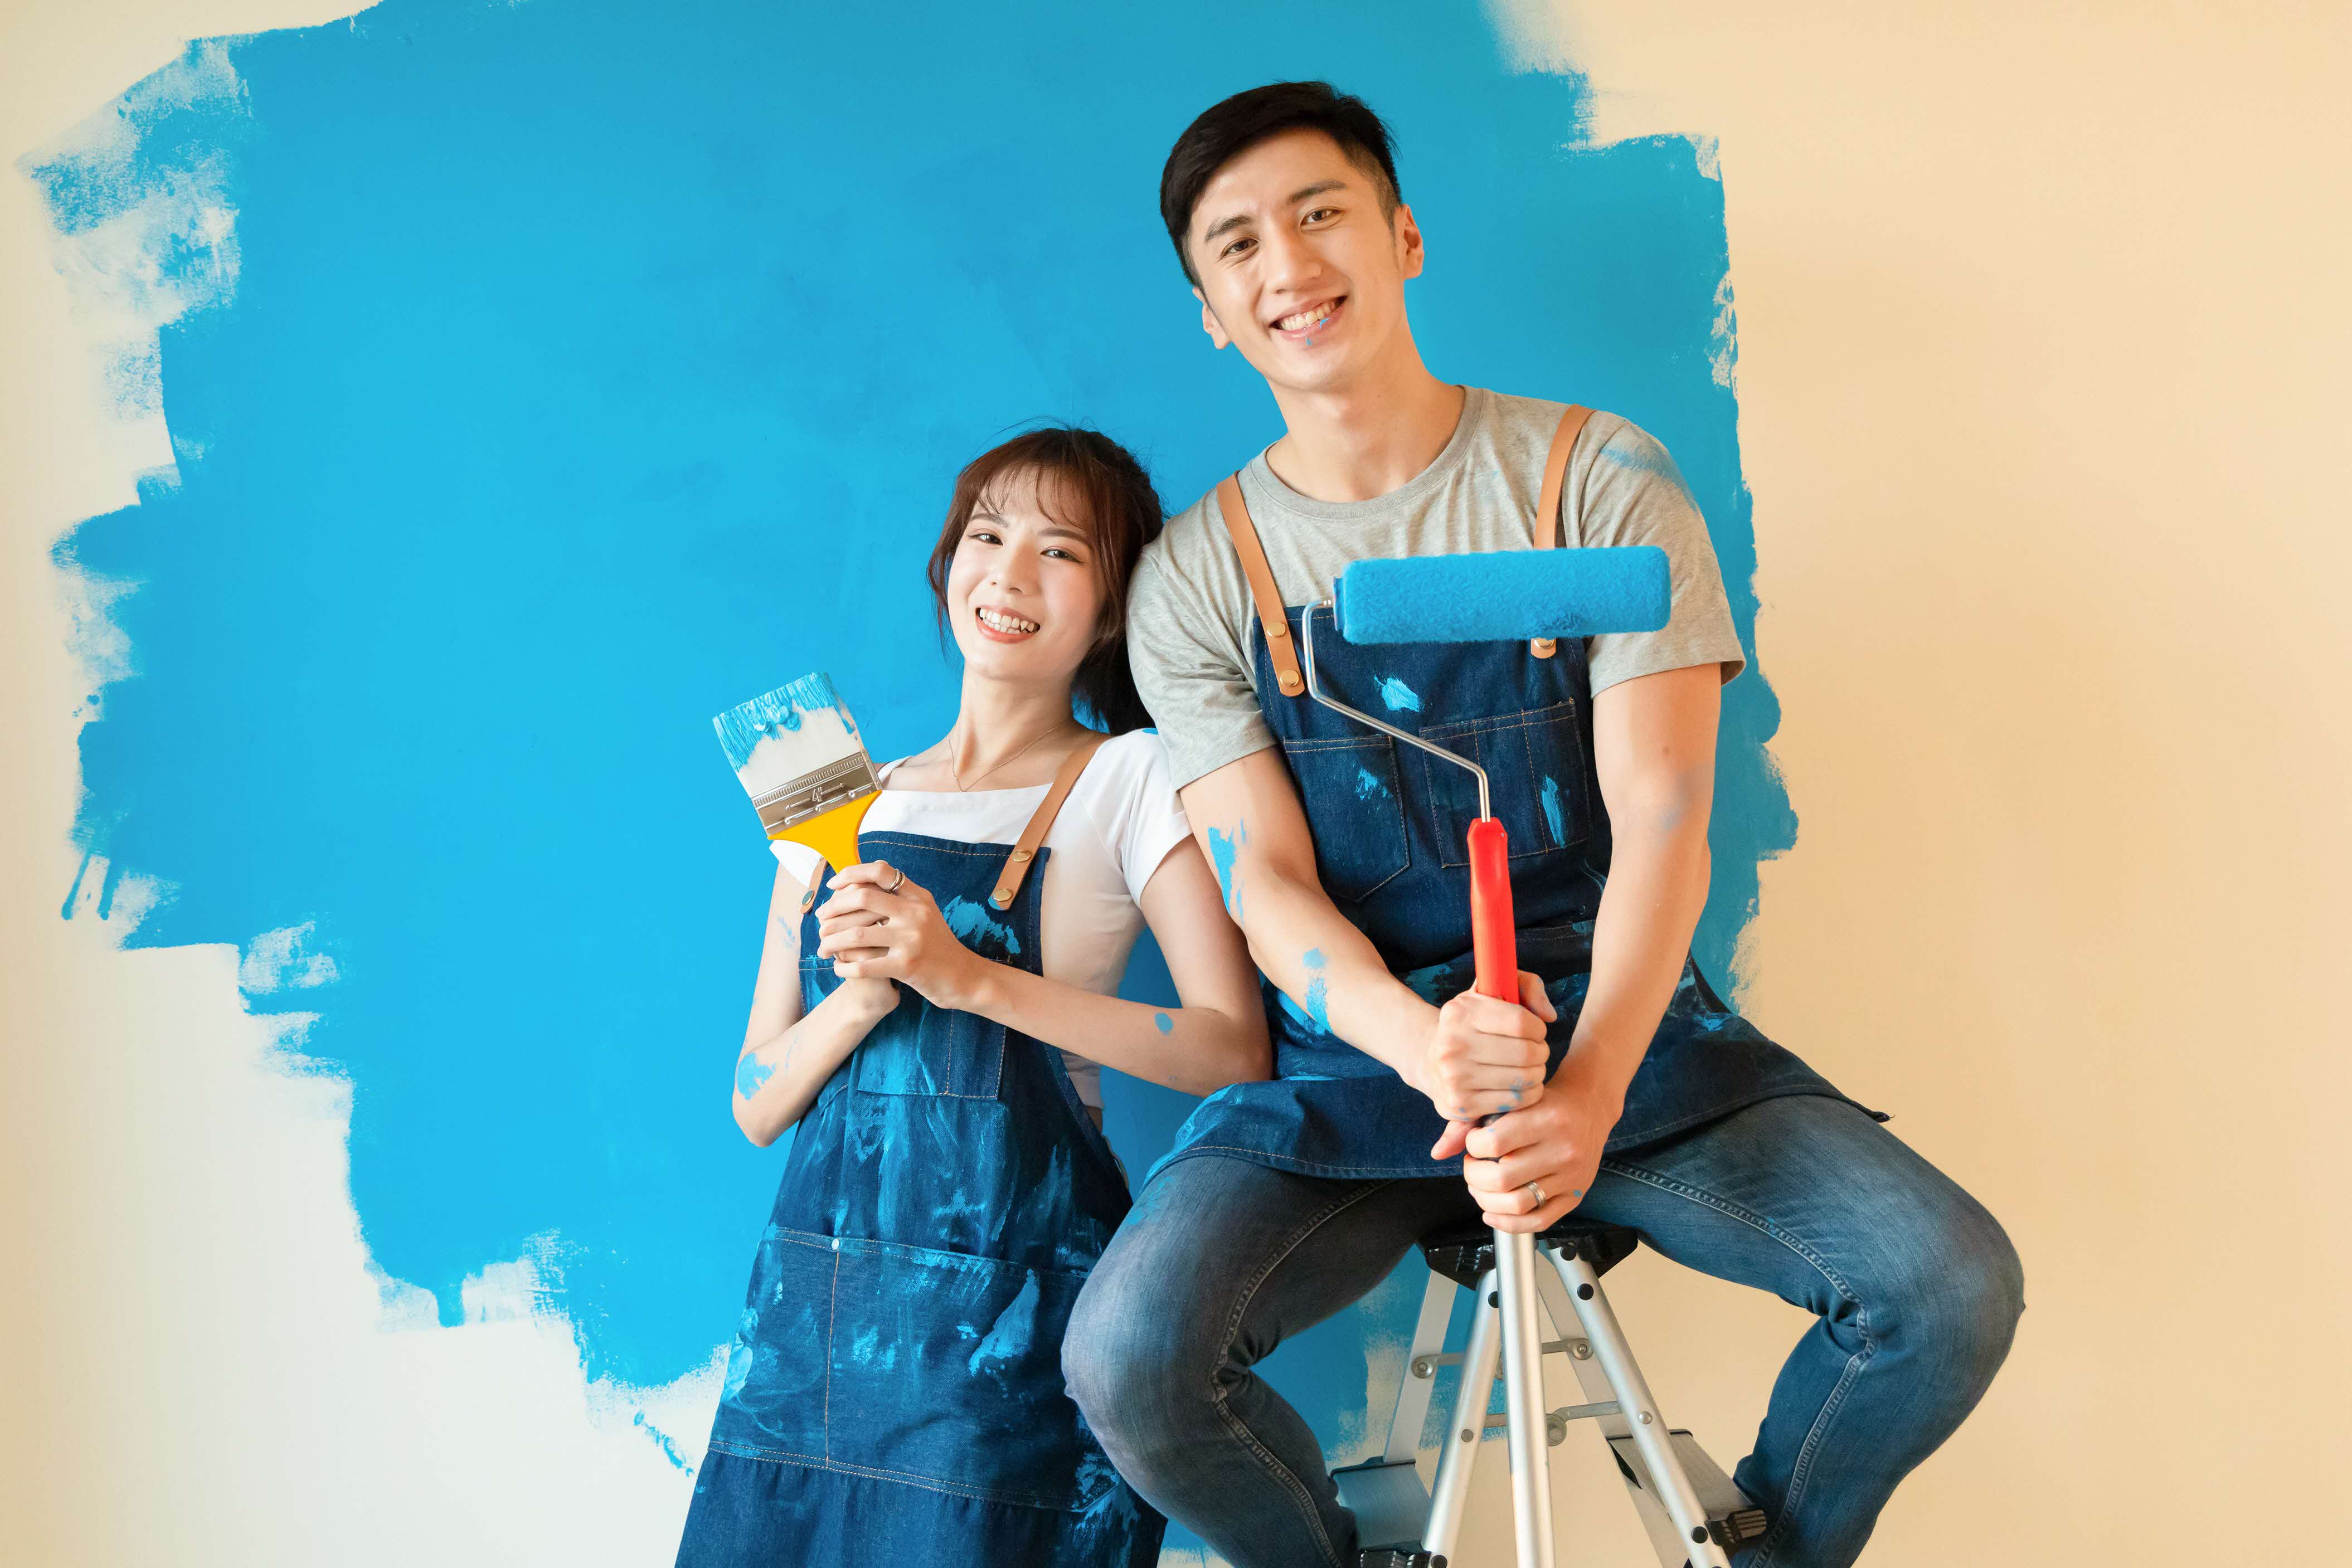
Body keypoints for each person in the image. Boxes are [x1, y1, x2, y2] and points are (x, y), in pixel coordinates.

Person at [1061, 82, 2025, 1568]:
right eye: (1236, 244)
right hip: (1352, 1070)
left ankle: (1771, 1549)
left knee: (1944, 1282)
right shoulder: (1200, 574)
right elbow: (1260, 878)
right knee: (1127, 1359)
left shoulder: (1595, 480)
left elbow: (1659, 810)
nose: (1287, 264)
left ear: (1401, 235)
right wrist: (1416, 1038)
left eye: (1321, 213)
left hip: (1625, 1036)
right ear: (1210, 309)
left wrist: (1578, 1087)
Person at [676, 426, 1271, 1568]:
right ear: (948, 565)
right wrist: (860, 1001)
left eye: (1061, 552)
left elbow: (1230, 1048)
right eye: (986, 537)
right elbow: (756, 1104)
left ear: (1108, 613)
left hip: (1005, 1331)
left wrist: (965, 978)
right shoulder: (837, 807)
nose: (1007, 574)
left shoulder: (1126, 777)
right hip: (817, 1324)